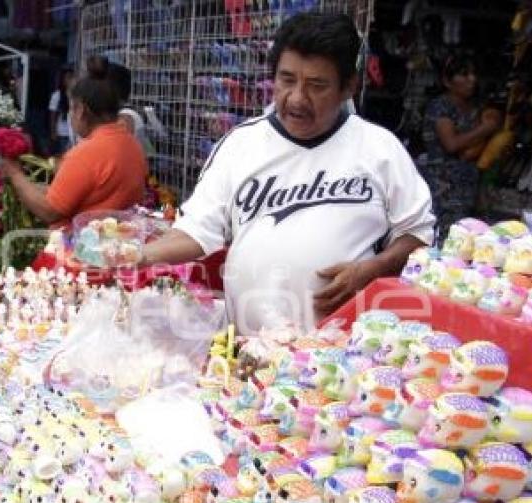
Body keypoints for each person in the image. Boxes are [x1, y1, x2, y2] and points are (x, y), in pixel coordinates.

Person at [137, 12, 435, 333]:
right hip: (251, 352)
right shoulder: (241, 144)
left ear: (348, 86)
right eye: (287, 80)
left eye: (316, 85)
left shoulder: (380, 149)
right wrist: (131, 255)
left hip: (339, 363)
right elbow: (195, 232)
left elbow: (417, 235)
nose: (296, 99)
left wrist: (374, 269)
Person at [0, 67, 147, 229]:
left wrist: (14, 173)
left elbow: (49, 211)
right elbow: (86, 194)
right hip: (117, 242)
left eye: (71, 108)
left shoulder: (87, 153)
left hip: (82, 247)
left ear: (81, 110)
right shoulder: (132, 145)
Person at [421, 55, 501, 237]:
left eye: (473, 74)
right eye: (464, 75)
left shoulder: (475, 107)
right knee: (447, 238)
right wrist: (485, 129)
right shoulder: (440, 107)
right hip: (444, 187)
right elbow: (451, 144)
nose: (471, 79)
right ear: (447, 82)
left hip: (469, 185)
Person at [48, 66, 75, 155]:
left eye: (72, 77)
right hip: (62, 132)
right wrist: (53, 132)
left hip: (74, 132)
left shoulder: (76, 95)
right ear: (63, 80)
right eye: (68, 77)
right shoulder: (57, 95)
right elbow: (52, 116)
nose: (70, 80)